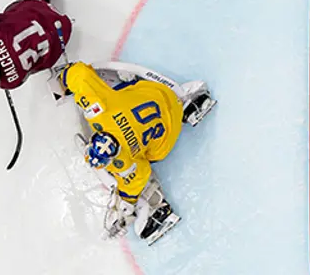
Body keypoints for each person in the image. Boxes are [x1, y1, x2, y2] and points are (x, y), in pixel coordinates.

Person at [63, 60, 217, 245]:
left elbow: (139, 175)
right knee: (118, 92)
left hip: (166, 139)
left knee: (145, 163)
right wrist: (68, 74)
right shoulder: (101, 110)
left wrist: (126, 202)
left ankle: (152, 204)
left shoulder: (122, 161)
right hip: (160, 94)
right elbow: (79, 74)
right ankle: (183, 100)